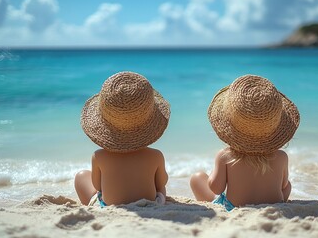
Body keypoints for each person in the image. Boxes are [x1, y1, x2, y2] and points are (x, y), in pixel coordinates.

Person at [190, 74, 300, 211]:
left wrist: (213, 172)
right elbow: (284, 185)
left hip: (234, 207)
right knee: (287, 186)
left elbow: (216, 188)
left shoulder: (226, 156)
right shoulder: (282, 157)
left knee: (197, 178)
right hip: (273, 205)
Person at [75, 71, 170, 207]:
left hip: (110, 206)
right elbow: (161, 183)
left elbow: (98, 186)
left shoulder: (99, 156)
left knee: (81, 176)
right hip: (149, 204)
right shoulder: (156, 156)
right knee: (161, 190)